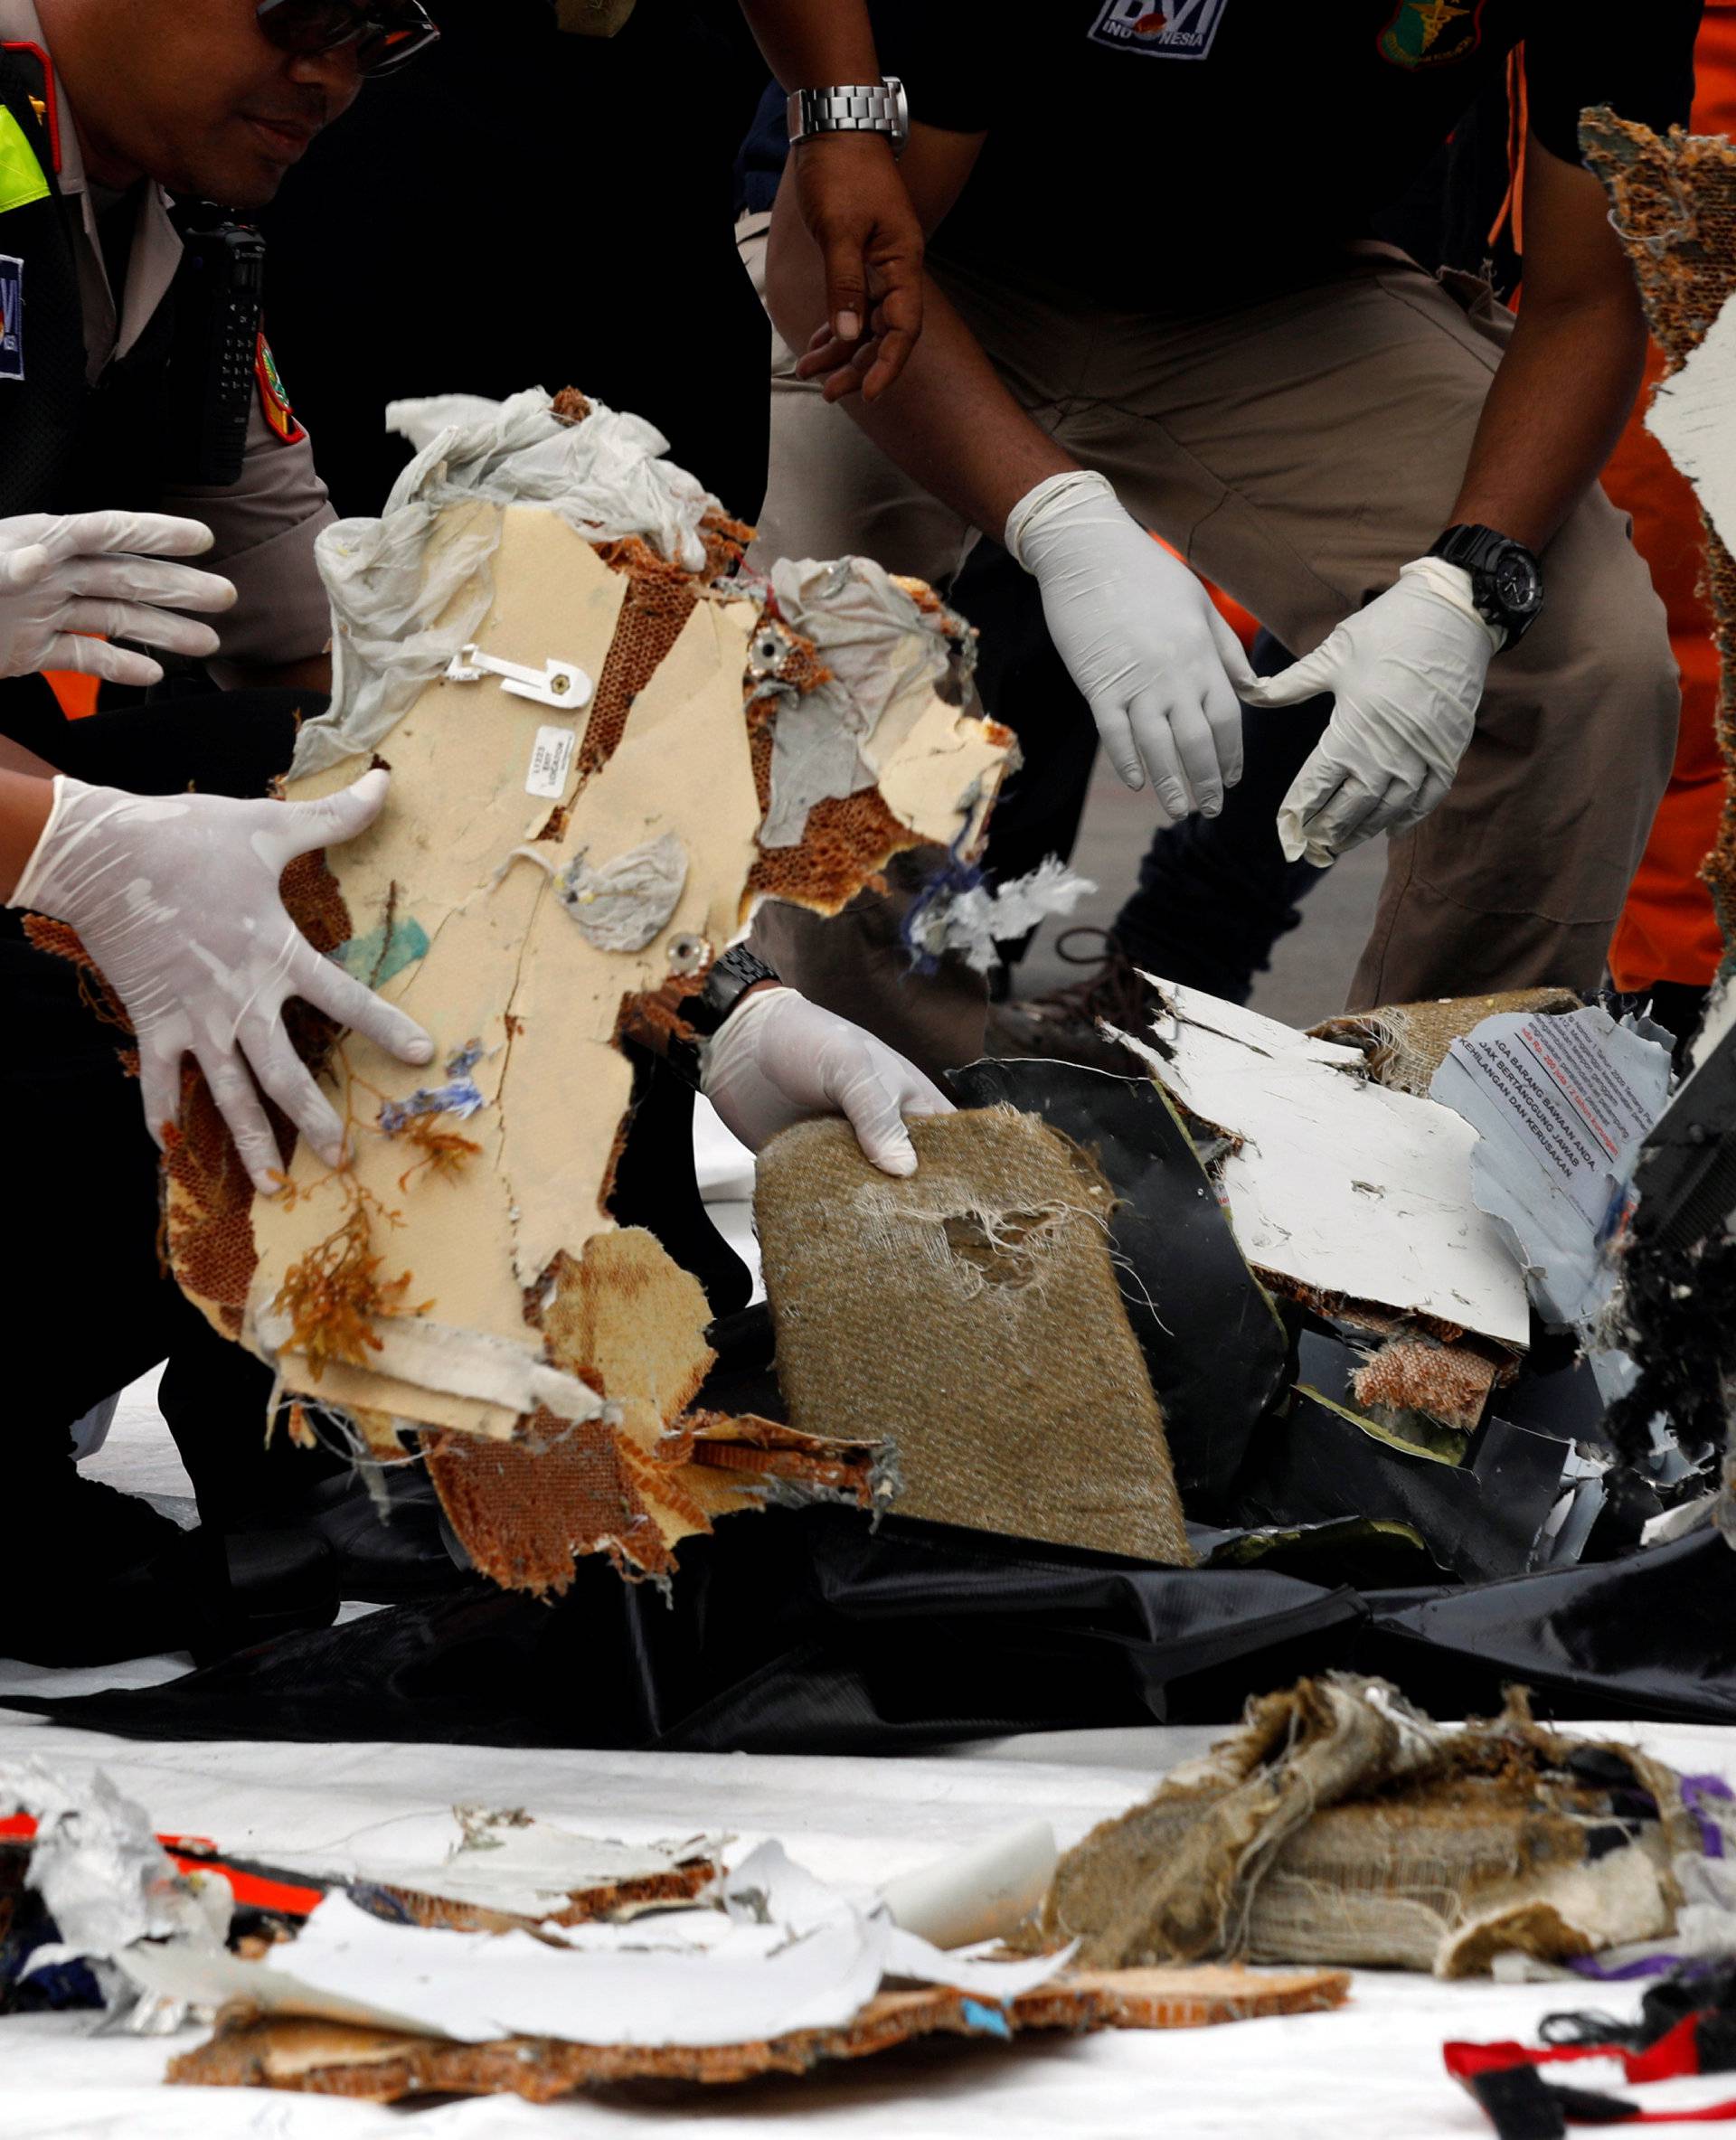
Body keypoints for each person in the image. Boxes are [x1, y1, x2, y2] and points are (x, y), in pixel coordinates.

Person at [0, 0, 946, 1665]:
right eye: (296, 16)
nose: (330, 79)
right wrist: (65, 837)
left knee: (353, 789)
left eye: (379, 40)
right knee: (230, 859)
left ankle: (368, 1382)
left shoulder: (189, 226)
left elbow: (336, 697)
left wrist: (706, 1001)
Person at [747, 4, 1700, 1072]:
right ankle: (909, 1111)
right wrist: (1060, 518)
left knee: (1587, 662)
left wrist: (1466, 584)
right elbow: (821, 268)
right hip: (943, 255)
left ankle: (1442, 1143)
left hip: (1274, 287)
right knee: (826, 637)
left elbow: (1589, 299)